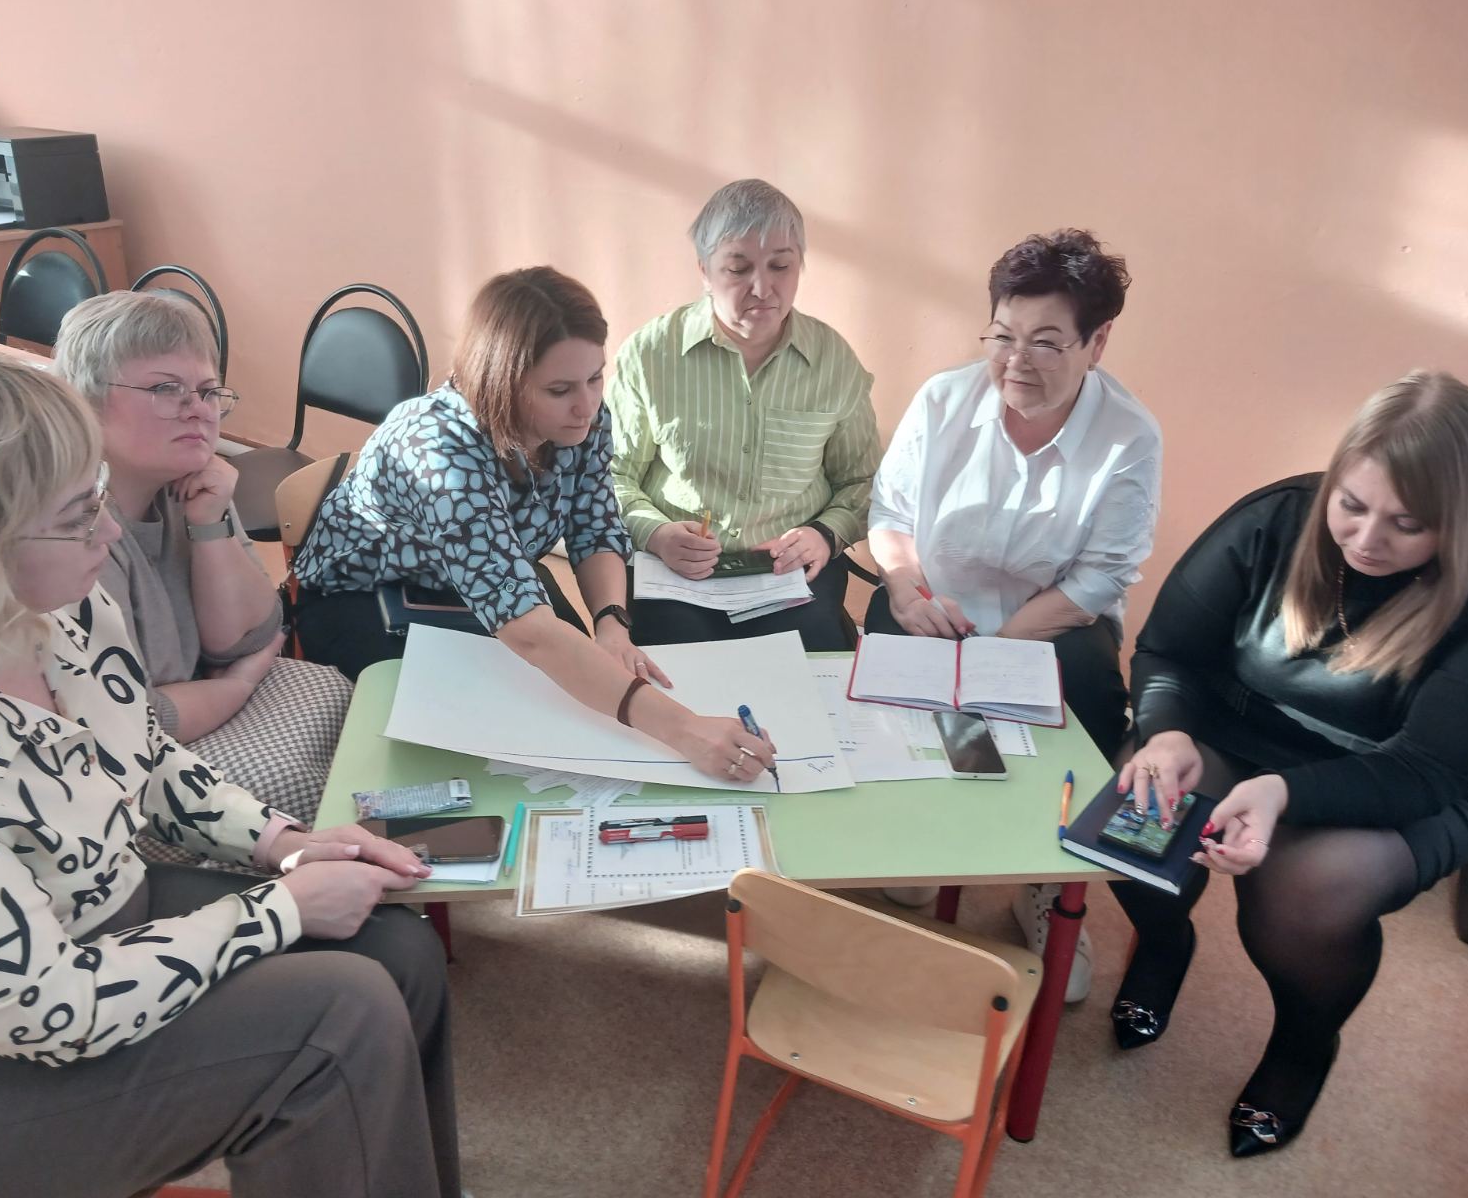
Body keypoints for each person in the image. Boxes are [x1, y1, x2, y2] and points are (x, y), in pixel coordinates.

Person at [0, 341, 460, 1197]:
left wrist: (286, 845)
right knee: (337, 1019)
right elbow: (51, 1008)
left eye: (97, 497)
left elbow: (147, 757)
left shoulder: (65, 607)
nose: (109, 531)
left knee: (396, 948)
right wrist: (280, 908)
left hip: (97, 921)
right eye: (76, 515)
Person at [1113, 370, 1468, 1157]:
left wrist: (1281, 794)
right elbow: (1168, 651)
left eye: (1407, 524)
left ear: (1461, 524)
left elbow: (1426, 771)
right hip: (1239, 730)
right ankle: (1162, 941)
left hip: (1411, 782)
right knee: (1136, 818)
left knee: (1309, 891)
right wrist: (1167, 732)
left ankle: (1304, 1042)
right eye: (1351, 504)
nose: (1366, 540)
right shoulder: (1274, 518)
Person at [294, 266, 776, 785]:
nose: (587, 406)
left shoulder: (582, 418)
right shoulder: (439, 452)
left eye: (596, 378)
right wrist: (684, 729)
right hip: (371, 600)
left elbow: (594, 526)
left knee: (579, 708)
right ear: (503, 385)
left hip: (496, 581)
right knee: (481, 758)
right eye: (559, 389)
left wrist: (612, 625)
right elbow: (532, 635)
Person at [866, 229, 1161, 998]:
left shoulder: (1129, 437)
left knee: (1087, 700)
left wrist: (1000, 645)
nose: (1016, 362)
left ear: (1097, 342)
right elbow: (890, 514)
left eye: (1046, 342)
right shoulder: (943, 400)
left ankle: (1044, 883)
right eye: (1003, 336)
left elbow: (1101, 575)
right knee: (898, 677)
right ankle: (930, 836)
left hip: (1053, 620)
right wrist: (904, 588)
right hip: (936, 603)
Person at [54, 291, 353, 859]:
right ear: (85, 401)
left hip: (193, 705)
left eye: (209, 391)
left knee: (334, 690)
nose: (199, 409)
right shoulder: (72, 526)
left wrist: (210, 524)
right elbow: (134, 721)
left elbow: (248, 638)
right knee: (287, 779)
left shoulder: (192, 480)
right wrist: (236, 684)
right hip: (119, 771)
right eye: (166, 389)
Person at [607, 178, 882, 651]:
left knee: (806, 661)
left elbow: (863, 481)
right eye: (738, 269)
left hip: (789, 574)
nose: (762, 288)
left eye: (781, 266)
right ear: (704, 270)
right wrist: (656, 533)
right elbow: (610, 475)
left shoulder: (833, 361)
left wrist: (823, 534)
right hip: (677, 571)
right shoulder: (651, 355)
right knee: (676, 660)